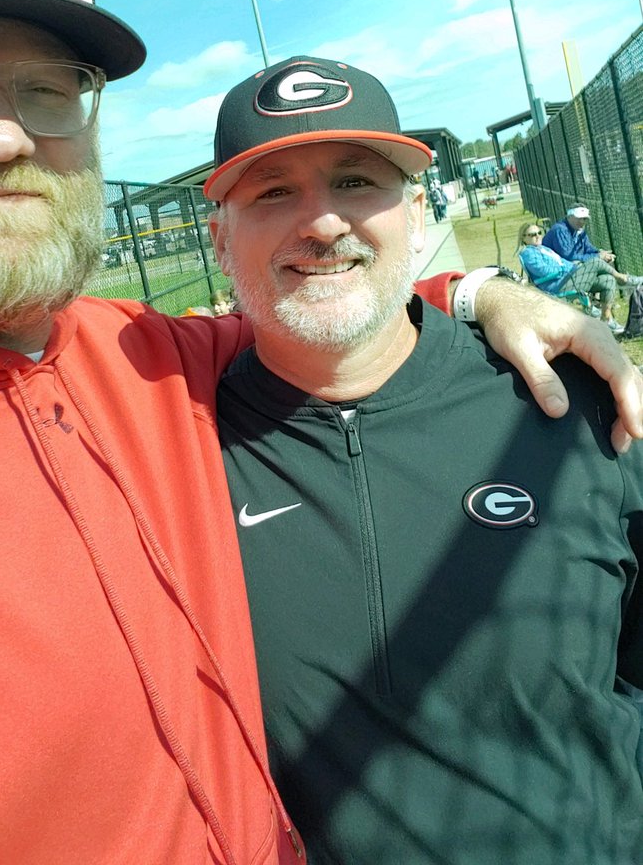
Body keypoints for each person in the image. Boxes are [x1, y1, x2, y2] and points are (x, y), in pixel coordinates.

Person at [0, 0, 640, 865]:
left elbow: (324, 317)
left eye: (51, 89)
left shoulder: (143, 358)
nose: (1, 137)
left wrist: (471, 291)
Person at [205, 58, 643, 865]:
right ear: (219, 238)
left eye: (356, 182)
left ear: (414, 213)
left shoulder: (568, 402)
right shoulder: (175, 442)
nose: (324, 221)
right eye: (272, 191)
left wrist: (483, 291)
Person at [518, 220, 635, 327]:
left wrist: (576, 267)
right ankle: (623, 279)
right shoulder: (528, 253)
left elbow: (564, 262)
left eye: (539, 232)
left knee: (607, 280)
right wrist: (566, 270)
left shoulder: (544, 249)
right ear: (524, 238)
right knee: (595, 261)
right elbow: (543, 272)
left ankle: (606, 318)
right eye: (532, 235)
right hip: (558, 286)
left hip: (570, 279)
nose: (537, 236)